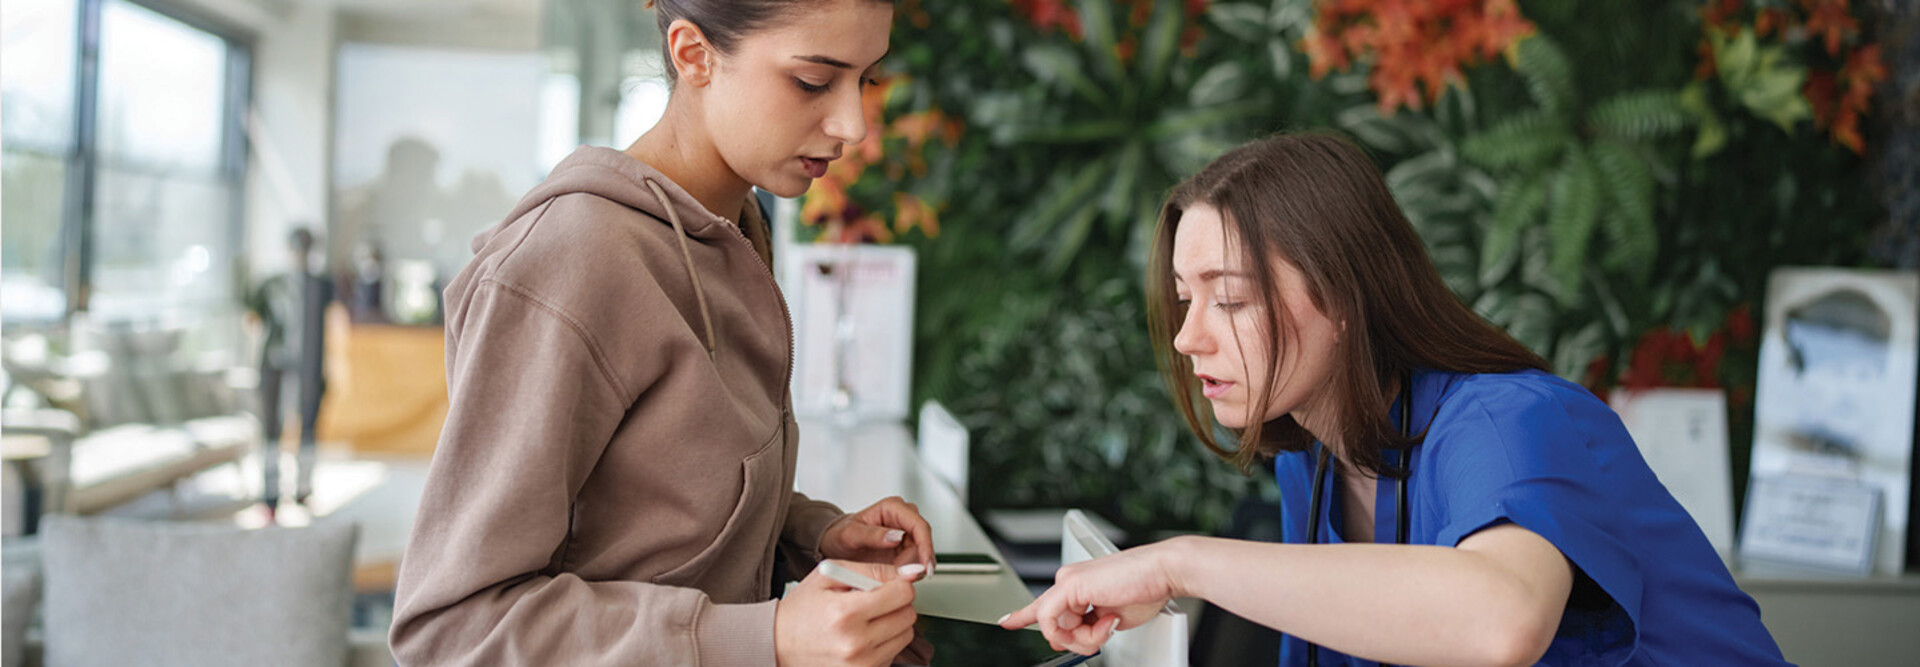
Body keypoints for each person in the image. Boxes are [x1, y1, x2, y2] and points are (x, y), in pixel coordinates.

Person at [1000, 132, 1790, 666]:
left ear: (1346, 295)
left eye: (1230, 299)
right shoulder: (1314, 467)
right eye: (1183, 298)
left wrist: (1180, 563)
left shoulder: (1508, 421)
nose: (1187, 337)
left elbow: (1500, 621)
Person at [388, 1, 934, 664]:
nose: (853, 124)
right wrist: (768, 638)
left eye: (867, 80)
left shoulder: (731, 228)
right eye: (814, 82)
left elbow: (658, 494)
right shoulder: (575, 261)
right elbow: (452, 627)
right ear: (694, 55)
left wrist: (816, 535)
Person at [243, 226, 331, 518]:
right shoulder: (271, 284)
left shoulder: (322, 286)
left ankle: (303, 490)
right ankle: (269, 495)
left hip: (309, 367)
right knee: (271, 431)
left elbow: (332, 327)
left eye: (305, 248)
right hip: (274, 367)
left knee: (307, 428)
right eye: (296, 247)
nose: (300, 253)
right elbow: (253, 321)